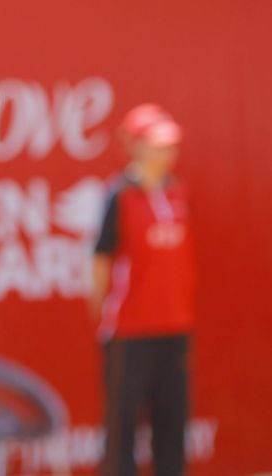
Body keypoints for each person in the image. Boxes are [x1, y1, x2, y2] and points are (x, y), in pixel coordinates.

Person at [90, 104, 195, 476]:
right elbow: (102, 260)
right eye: (157, 144)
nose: (167, 152)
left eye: (170, 145)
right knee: (122, 432)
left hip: (174, 330)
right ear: (135, 146)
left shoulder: (178, 193)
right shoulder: (119, 195)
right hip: (129, 332)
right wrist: (102, 314)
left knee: (172, 427)